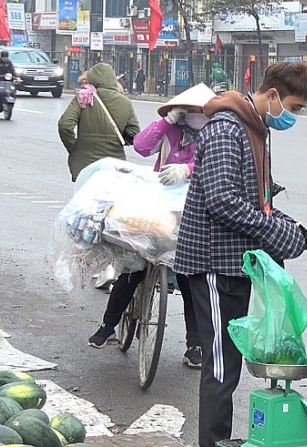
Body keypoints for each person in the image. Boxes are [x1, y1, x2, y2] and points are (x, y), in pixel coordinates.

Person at [174, 61, 307, 447]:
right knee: (221, 364)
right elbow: (222, 201)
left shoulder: (255, 131)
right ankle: (214, 442)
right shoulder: (227, 129)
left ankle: (219, 440)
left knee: (228, 361)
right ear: (272, 95)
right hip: (213, 263)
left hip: (234, 263)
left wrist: (290, 229)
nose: (294, 116)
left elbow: (262, 200)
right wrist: (275, 232)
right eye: (294, 106)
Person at [87, 84, 217, 369]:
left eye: (199, 110)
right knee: (134, 267)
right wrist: (166, 121)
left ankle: (194, 344)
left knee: (189, 278)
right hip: (159, 208)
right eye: (189, 110)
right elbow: (142, 147)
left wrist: (188, 170)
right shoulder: (171, 129)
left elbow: (216, 164)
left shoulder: (214, 133)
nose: (194, 115)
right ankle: (109, 325)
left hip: (192, 213)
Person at [58, 62, 140, 182]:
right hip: (114, 165)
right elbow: (135, 132)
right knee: (110, 200)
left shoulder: (83, 98)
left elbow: (65, 125)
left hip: (85, 165)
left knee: (85, 199)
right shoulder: (124, 102)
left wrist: (74, 147)